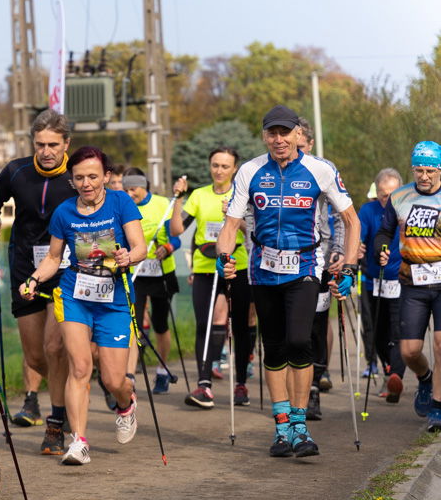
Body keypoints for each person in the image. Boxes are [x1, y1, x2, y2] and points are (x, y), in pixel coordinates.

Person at [218, 104, 360, 458]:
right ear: (264, 135)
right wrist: (225, 257)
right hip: (262, 269)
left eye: (285, 132)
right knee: (275, 346)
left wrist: (350, 266)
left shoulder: (319, 169)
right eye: (272, 133)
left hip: (305, 266)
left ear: (298, 134)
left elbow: (352, 220)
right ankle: (281, 427)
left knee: (300, 340)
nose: (279, 140)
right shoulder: (250, 170)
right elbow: (231, 225)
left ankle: (300, 425)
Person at [20, 145, 147, 465]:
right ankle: (78, 441)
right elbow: (53, 257)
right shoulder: (64, 212)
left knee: (114, 379)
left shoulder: (120, 202)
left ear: (106, 176)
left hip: (114, 299)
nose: (87, 183)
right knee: (79, 367)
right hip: (75, 295)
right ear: (72, 180)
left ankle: (126, 402)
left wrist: (127, 258)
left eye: (93, 176)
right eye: (79, 178)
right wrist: (34, 280)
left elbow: (140, 247)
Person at [0, 109, 74, 454]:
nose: (46, 151)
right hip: (26, 269)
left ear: (66, 143)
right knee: (37, 357)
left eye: (53, 144)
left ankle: (56, 424)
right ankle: (71, 391)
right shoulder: (16, 171)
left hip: (67, 269)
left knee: (56, 349)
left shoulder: (77, 173)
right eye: (40, 144)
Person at [171, 147, 253, 408]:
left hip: (236, 266)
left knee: (239, 326)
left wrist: (235, 217)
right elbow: (176, 229)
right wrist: (178, 199)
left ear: (234, 169)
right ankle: (204, 385)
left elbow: (254, 231)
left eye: (225, 166)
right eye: (215, 165)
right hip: (206, 266)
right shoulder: (199, 195)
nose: (219, 170)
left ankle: (241, 383)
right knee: (204, 324)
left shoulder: (243, 194)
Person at [375, 141, 441, 432]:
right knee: (409, 351)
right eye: (418, 171)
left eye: (429, 171)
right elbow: (384, 231)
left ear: (439, 170)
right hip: (411, 281)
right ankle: (425, 378)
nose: (424, 177)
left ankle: (437, 408)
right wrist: (381, 248)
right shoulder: (400, 196)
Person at [296, 118, 345, 421]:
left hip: (321, 256)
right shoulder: (271, 169)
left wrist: (339, 250)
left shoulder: (325, 168)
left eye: (300, 147)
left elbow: (341, 214)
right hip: (284, 258)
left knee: (316, 322)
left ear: (310, 145)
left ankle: (314, 386)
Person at [122, 167, 182, 393]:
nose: (130, 194)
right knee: (132, 324)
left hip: (160, 272)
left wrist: (167, 247)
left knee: (160, 323)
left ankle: (162, 369)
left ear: (144, 186)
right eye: (126, 189)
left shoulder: (160, 204)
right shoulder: (124, 205)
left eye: (134, 189)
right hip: (135, 273)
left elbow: (175, 239)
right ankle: (130, 374)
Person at [358, 168, 405, 404]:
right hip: (373, 280)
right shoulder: (368, 210)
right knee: (377, 331)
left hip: (402, 280)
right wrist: (358, 247)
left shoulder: (408, 209)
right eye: (384, 194)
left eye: (393, 194)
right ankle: (389, 370)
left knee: (399, 331)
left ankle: (395, 376)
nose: (388, 199)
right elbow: (360, 236)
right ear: (377, 193)